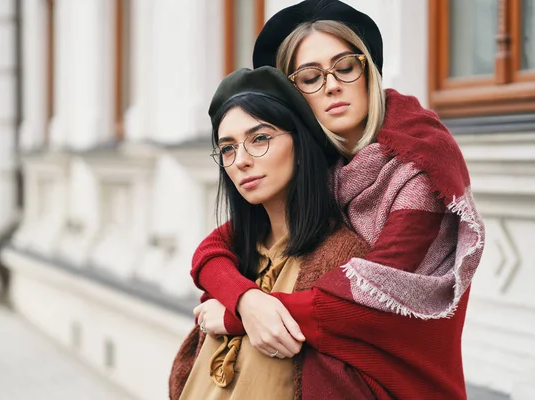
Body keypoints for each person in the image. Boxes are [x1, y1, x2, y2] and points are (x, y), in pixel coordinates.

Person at [187, 0, 485, 399]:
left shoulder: (421, 167)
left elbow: (360, 303)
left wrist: (238, 314)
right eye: (309, 77)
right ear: (293, 97)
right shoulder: (321, 168)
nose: (331, 85)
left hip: (404, 384)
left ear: (368, 72)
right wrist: (245, 298)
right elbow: (216, 246)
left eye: (345, 67)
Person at [169, 66, 370, 399]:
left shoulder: (343, 258)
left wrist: (236, 317)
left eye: (260, 138)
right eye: (228, 148)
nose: (241, 161)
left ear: (300, 142)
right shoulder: (238, 257)